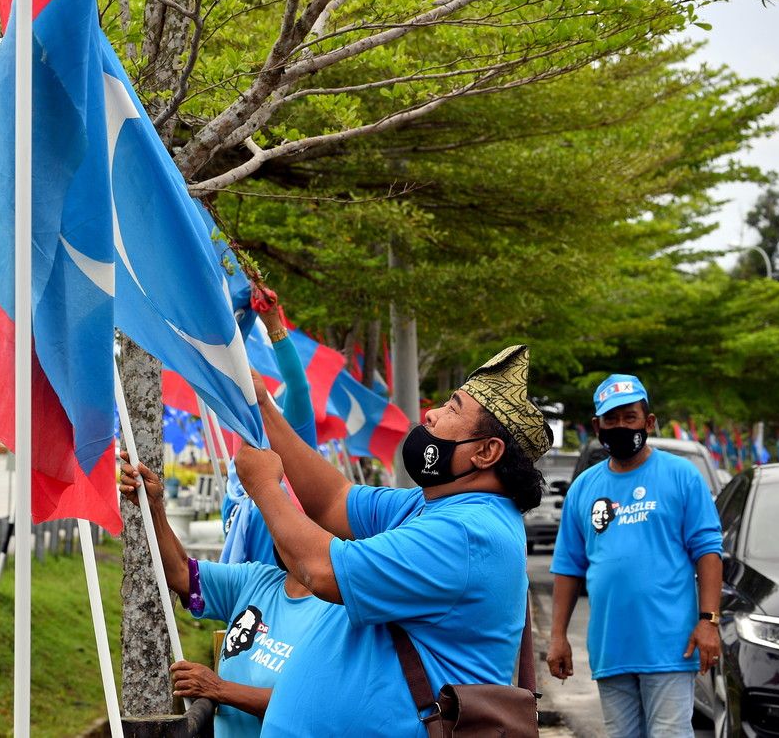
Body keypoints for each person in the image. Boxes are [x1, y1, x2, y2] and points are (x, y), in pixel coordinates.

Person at [233, 344, 550, 737]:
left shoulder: (466, 533)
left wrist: (264, 487)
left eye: (453, 409)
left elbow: (320, 571)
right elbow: (334, 500)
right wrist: (264, 407)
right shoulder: (435, 505)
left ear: (486, 452)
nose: (431, 413)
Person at [546, 374, 722, 738]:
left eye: (630, 417)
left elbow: (708, 552)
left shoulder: (681, 476)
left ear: (649, 421)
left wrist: (709, 621)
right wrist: (558, 636)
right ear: (597, 426)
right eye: (611, 420)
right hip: (611, 649)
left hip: (670, 646)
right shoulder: (584, 487)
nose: (621, 426)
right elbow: (568, 566)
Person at [119, 451, 336, 738]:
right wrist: (155, 507)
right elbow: (181, 573)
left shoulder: (340, 612)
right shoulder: (257, 580)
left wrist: (218, 689)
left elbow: (315, 704)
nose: (280, 531)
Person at [221, 285, 318, 565]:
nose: (256, 404)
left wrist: (273, 323)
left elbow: (298, 388)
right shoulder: (236, 484)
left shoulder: (296, 451)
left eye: (267, 402)